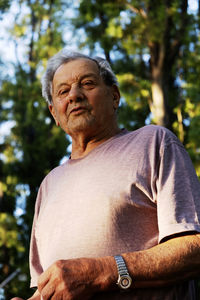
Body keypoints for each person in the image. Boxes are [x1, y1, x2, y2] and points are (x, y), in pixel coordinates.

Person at [12, 49, 200, 300]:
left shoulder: (154, 143)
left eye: (87, 83)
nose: (75, 95)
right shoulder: (48, 185)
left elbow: (194, 248)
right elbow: (48, 288)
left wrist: (101, 272)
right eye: (63, 91)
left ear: (114, 96)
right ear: (54, 113)